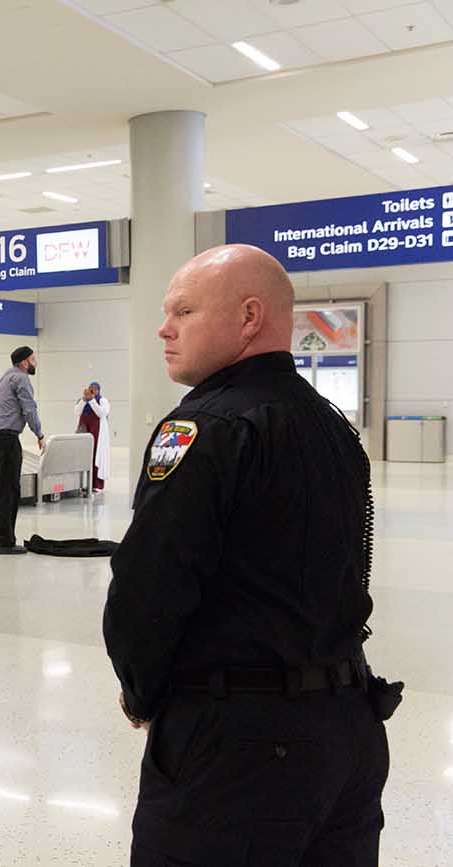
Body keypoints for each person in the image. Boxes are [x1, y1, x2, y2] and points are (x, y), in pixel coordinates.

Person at [102, 245, 396, 865]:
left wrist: (141, 691)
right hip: (348, 731)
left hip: (238, 751)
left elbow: (148, 584)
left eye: (184, 310)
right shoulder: (332, 425)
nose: (164, 327)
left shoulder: (205, 427)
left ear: (249, 316)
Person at [0, 346, 44, 555]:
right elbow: (29, 409)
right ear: (24, 363)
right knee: (10, 490)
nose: (36, 362)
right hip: (7, 439)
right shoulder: (21, 379)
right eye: (33, 359)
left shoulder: (5, 377)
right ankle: (6, 542)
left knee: (1, 489)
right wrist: (40, 434)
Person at [76, 382, 110, 493]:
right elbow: (76, 412)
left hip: (97, 432)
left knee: (96, 456)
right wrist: (84, 400)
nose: (93, 391)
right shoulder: (82, 401)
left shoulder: (102, 401)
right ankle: (82, 484)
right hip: (84, 430)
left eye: (95, 389)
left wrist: (92, 400)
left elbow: (101, 413)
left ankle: (96, 485)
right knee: (83, 455)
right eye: (91, 388)